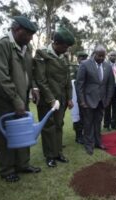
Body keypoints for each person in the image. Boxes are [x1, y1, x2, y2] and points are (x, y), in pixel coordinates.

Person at [0, 16, 41, 182]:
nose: (30, 38)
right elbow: (0, 77)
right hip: (1, 101)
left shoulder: (26, 47)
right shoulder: (0, 45)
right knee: (4, 136)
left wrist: (34, 87)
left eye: (32, 35)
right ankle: (7, 170)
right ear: (16, 30)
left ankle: (23, 164)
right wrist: (16, 100)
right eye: (27, 34)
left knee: (23, 133)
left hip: (20, 98)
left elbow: (30, 71)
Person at [34, 27, 74, 167]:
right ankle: (49, 155)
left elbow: (67, 78)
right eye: (65, 46)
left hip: (61, 98)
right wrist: (51, 99)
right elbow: (41, 80)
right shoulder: (42, 54)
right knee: (48, 127)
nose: (67, 49)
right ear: (56, 42)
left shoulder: (64, 56)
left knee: (58, 125)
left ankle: (58, 153)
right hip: (47, 99)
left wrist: (69, 97)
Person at [77, 45, 114, 155]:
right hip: (88, 100)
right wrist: (82, 100)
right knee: (88, 123)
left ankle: (98, 142)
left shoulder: (108, 66)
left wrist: (108, 99)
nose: (102, 58)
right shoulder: (85, 64)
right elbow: (79, 84)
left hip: (101, 101)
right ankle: (89, 145)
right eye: (99, 56)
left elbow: (110, 85)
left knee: (98, 122)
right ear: (94, 54)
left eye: (103, 56)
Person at [72, 51, 88, 144]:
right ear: (77, 59)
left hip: (86, 95)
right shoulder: (74, 68)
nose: (83, 59)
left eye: (85, 58)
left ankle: (85, 134)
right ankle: (78, 136)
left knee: (85, 116)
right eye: (81, 57)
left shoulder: (89, 68)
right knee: (76, 114)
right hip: (75, 94)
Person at [104, 51, 116, 130]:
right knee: (107, 108)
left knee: (115, 108)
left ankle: (114, 124)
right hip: (108, 90)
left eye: (114, 55)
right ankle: (107, 125)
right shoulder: (105, 65)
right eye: (111, 55)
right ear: (108, 56)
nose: (113, 57)